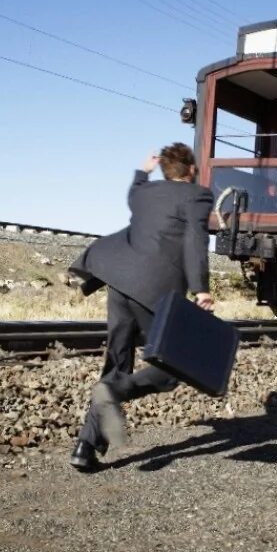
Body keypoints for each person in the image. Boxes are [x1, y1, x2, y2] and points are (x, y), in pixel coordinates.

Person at [67, 143, 215, 471]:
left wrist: (142, 172)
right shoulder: (198, 195)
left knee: (116, 362)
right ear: (191, 169)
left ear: (164, 170)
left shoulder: (144, 193)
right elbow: (195, 242)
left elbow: (132, 194)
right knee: (175, 366)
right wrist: (201, 289)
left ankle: (85, 447)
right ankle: (116, 390)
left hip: (119, 282)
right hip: (154, 290)